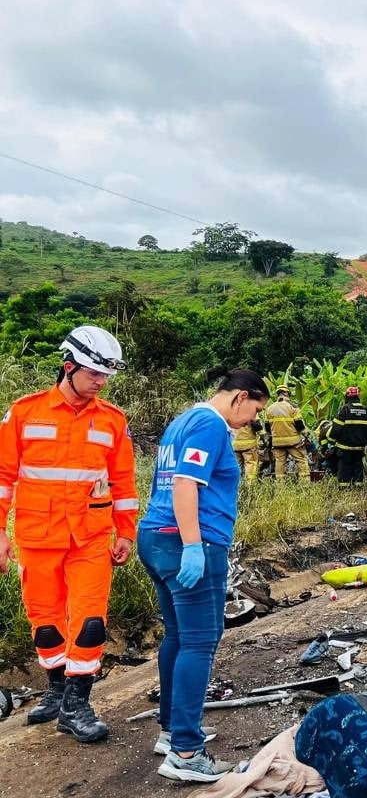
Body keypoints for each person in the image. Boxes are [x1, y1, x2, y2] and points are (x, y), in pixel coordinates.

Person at [0, 325, 139, 743]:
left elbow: (124, 483)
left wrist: (126, 534)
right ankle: (56, 691)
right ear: (69, 367)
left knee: (90, 622)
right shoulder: (24, 413)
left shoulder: (113, 421)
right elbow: (3, 479)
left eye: (105, 376)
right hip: (38, 536)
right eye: (94, 373)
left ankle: (77, 705)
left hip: (91, 538)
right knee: (44, 623)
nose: (100, 382)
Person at [138, 368, 270, 781]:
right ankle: (186, 753)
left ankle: (173, 730)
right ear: (240, 397)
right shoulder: (211, 425)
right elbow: (184, 484)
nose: (252, 419)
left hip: (155, 538)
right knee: (200, 642)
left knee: (177, 636)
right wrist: (194, 545)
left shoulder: (182, 420)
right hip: (186, 542)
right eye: (255, 409)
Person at [328, 385, 367, 485]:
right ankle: (358, 488)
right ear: (358, 397)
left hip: (344, 448)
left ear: (347, 397)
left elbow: (336, 428)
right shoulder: (366, 410)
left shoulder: (344, 409)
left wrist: (331, 441)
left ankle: (345, 490)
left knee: (344, 468)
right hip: (359, 448)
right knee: (358, 468)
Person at [264, 385, 309, 480]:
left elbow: (267, 428)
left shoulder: (270, 408)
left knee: (279, 462)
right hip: (293, 442)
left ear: (278, 394)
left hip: (277, 442)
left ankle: (280, 485)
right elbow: (299, 424)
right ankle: (305, 484)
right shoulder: (292, 407)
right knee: (301, 460)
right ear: (287, 393)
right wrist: (306, 434)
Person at [231, 413, 263, 482]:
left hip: (235, 444)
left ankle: (238, 485)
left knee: (238, 466)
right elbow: (257, 426)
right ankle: (250, 486)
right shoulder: (250, 410)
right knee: (250, 465)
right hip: (248, 445)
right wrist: (263, 436)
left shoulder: (232, 410)